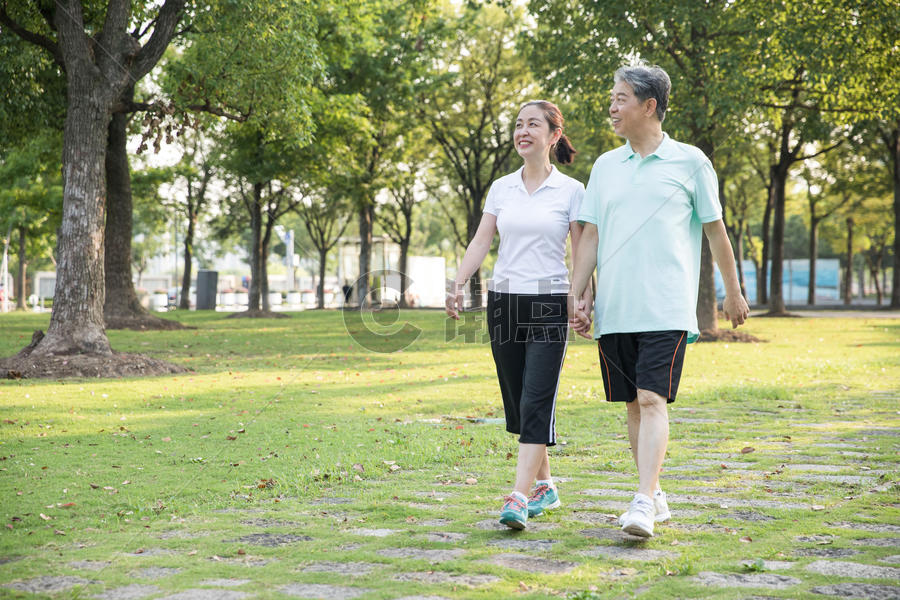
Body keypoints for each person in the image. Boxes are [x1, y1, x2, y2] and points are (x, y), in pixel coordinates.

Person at [569, 64, 750, 538]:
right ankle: (654, 491)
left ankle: (644, 501)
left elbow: (716, 230)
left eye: (621, 98)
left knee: (652, 397)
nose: (611, 107)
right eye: (611, 97)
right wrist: (577, 293)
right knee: (632, 403)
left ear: (649, 105)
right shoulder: (606, 166)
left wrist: (732, 291)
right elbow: (590, 236)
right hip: (616, 309)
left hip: (666, 307)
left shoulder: (691, 162)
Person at [446, 100, 587, 529]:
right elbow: (481, 241)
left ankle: (518, 496)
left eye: (533, 125)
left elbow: (580, 250)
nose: (523, 131)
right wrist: (459, 283)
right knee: (518, 402)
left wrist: (580, 299)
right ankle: (546, 486)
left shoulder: (572, 191)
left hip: (549, 300)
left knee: (536, 397)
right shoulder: (501, 188)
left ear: (553, 135)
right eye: (518, 125)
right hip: (504, 301)